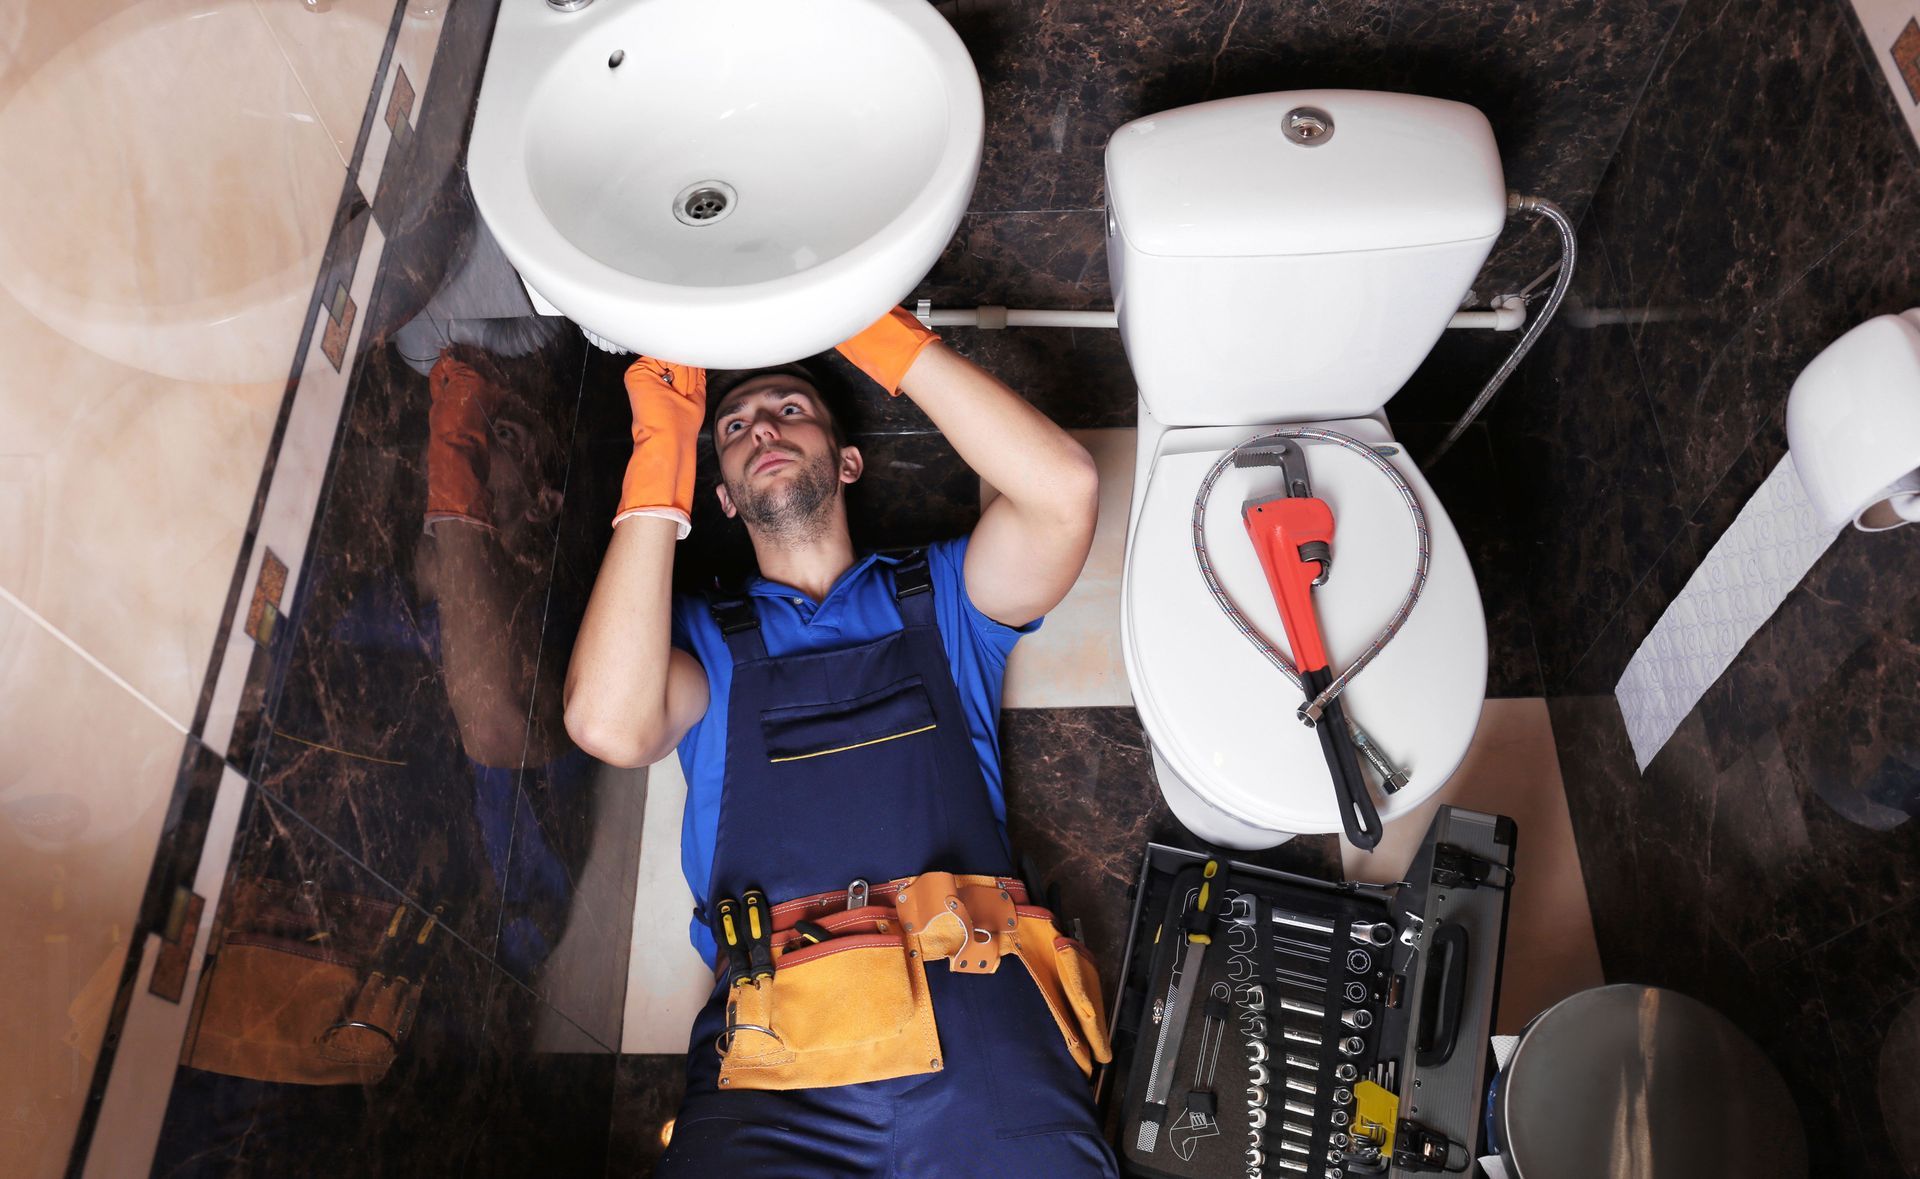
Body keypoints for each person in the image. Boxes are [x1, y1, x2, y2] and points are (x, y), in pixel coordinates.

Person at [563, 307, 1119, 1176]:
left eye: (792, 410)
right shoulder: (704, 644)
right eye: (735, 428)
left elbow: (1064, 493)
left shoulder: (942, 599)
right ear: (721, 493)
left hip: (979, 1018)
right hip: (777, 1055)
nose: (763, 430)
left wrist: (870, 325)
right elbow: (606, 721)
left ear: (846, 460)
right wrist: (662, 440)